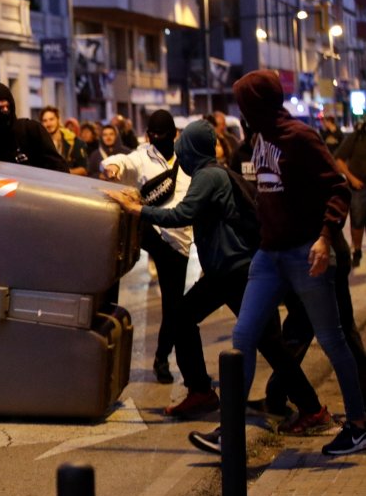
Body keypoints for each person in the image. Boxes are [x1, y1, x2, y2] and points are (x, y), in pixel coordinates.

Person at [105, 121, 327, 428]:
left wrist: (137, 211)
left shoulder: (208, 175)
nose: (179, 148)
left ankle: (311, 409)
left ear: (193, 148)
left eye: (184, 143)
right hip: (226, 270)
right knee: (186, 318)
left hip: (233, 271)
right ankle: (201, 391)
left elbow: (181, 214)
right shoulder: (211, 172)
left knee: (266, 342)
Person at [189, 70, 364, 456]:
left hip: (305, 253)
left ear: (258, 104)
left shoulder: (299, 137)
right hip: (268, 256)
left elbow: (337, 187)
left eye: (243, 102)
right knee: (243, 337)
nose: (240, 110)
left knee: (333, 340)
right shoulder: (258, 138)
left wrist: (324, 237)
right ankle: (230, 430)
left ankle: (359, 424)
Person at [103, 110, 192, 384]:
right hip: (153, 232)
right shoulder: (143, 155)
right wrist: (113, 167)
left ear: (175, 134)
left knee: (174, 305)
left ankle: (163, 357)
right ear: (147, 135)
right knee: (113, 275)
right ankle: (155, 357)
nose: (158, 140)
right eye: (153, 135)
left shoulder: (187, 157)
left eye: (163, 135)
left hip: (181, 239)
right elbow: (122, 160)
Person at [0, 82, 69, 173]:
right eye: (0, 108)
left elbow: (58, 166)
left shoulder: (31, 130)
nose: (5, 111)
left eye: (7, 106)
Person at [334, 122, 366, 267]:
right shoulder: (356, 137)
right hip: (358, 187)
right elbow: (339, 160)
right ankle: (357, 250)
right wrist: (352, 179)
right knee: (357, 222)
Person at [41, 106, 88, 175]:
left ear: (58, 119)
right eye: (45, 121)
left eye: (51, 119)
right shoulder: (40, 143)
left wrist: (63, 173)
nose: (48, 124)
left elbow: (84, 169)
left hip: (69, 184)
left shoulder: (74, 142)